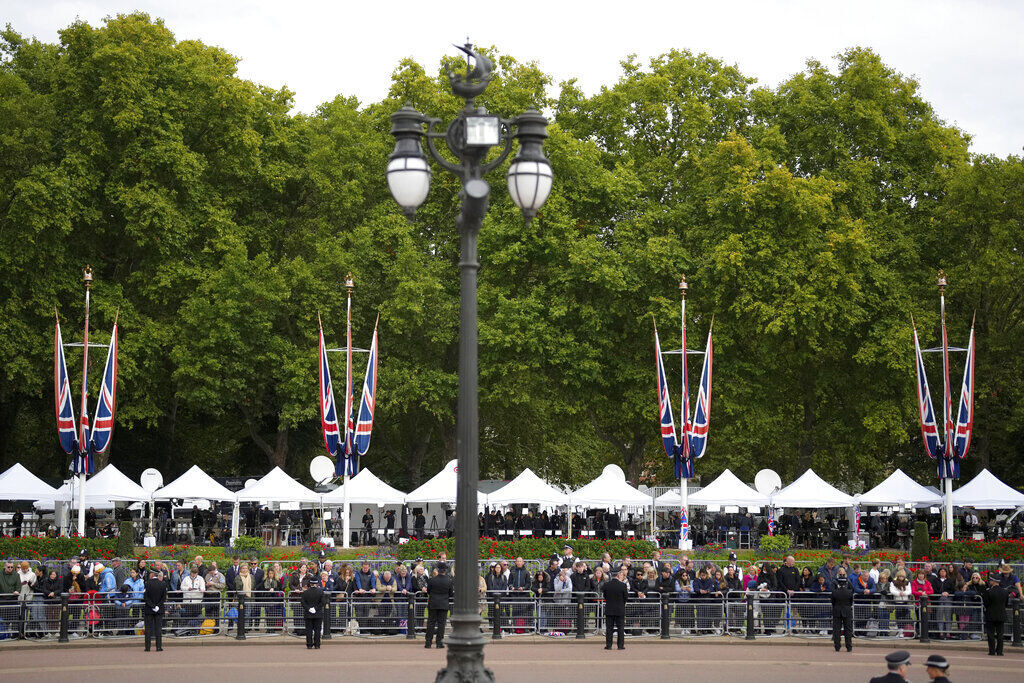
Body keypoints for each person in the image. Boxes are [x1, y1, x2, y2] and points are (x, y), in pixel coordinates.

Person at [425, 562, 453, 648]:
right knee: (441, 624)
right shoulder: (449, 581)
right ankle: (439, 642)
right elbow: (450, 593)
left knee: (431, 623)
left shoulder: (432, 580)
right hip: (443, 604)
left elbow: (428, 591)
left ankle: (428, 642)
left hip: (433, 603)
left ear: (438, 570)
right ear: (445, 570)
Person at [602, 567, 629, 650]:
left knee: (609, 628)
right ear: (618, 574)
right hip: (620, 609)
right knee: (620, 628)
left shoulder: (606, 585)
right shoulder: (623, 585)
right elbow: (625, 597)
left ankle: (609, 645)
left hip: (609, 609)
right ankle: (620, 645)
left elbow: (605, 596)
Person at [982, 574, 1009, 656]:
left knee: (991, 634)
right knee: (1000, 634)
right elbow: (1006, 604)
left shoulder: (988, 591)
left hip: (991, 614)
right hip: (1001, 614)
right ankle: (1000, 651)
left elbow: (986, 603)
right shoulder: (1005, 591)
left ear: (993, 582)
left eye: (990, 580)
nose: (990, 582)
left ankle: (992, 651)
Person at [143, 569, 167, 652]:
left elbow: (146, 597)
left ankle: (147, 647)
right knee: (158, 629)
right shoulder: (163, 584)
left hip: (149, 609)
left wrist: (152, 606)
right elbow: (164, 597)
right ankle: (158, 647)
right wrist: (157, 606)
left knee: (148, 628)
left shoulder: (147, 583)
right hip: (159, 609)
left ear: (152, 575)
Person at [831, 569, 853, 652]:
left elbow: (832, 601)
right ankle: (849, 646)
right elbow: (851, 601)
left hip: (837, 609)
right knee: (848, 629)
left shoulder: (834, 592)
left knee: (837, 629)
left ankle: (837, 646)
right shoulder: (849, 591)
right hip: (847, 610)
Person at [301, 575, 325, 649]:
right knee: (317, 630)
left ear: (310, 584)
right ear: (317, 584)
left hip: (308, 614)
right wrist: (315, 608)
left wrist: (309, 608)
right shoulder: (321, 592)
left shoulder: (305, 593)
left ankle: (309, 644)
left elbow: (303, 603)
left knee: (309, 630)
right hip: (318, 614)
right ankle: (317, 644)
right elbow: (322, 602)